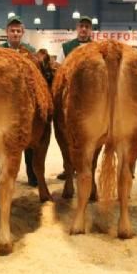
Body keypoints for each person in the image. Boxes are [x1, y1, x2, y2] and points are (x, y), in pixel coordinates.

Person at [0, 16, 37, 186]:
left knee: (28, 140)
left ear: (22, 33)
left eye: (18, 31)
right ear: (6, 32)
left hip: (25, 103)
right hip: (3, 104)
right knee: (0, 142)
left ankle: (32, 175)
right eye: (12, 31)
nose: (15, 34)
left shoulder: (30, 50)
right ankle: (1, 180)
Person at [56, 16, 93, 180]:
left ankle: (86, 169)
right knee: (67, 136)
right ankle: (68, 168)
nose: (84, 29)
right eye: (81, 26)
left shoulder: (97, 47)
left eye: (87, 26)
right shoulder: (66, 47)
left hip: (91, 99)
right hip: (70, 98)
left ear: (90, 29)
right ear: (77, 28)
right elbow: (59, 70)